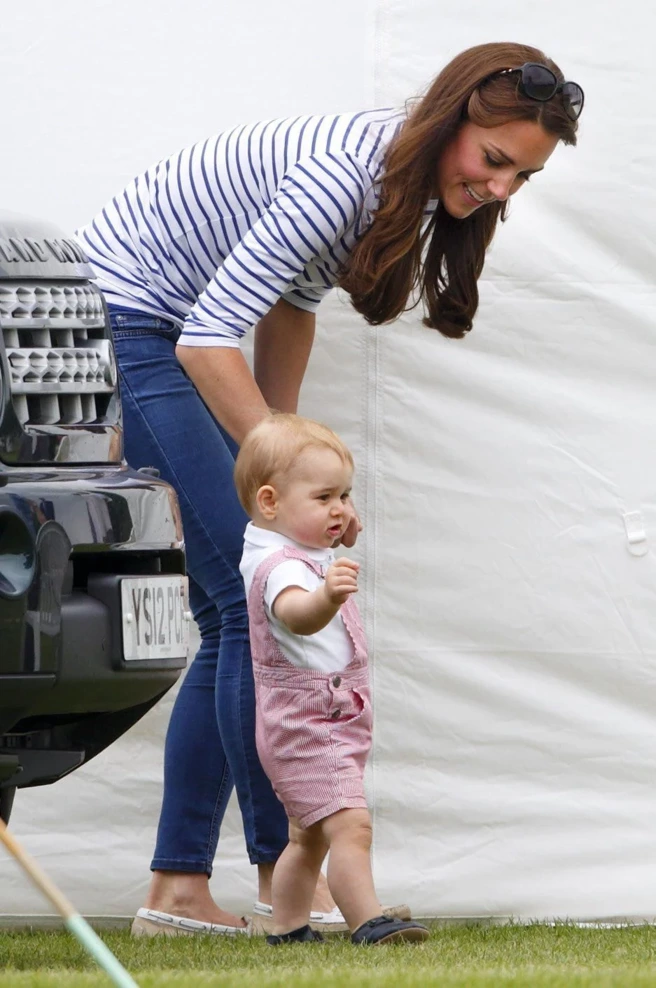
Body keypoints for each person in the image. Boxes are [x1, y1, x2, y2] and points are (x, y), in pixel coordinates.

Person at [75, 41, 582, 936]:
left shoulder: (391, 181)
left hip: (173, 323)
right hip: (132, 318)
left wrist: (288, 445)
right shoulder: (346, 173)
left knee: (234, 613)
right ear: (453, 117)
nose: (500, 189)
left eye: (522, 178)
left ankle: (182, 887)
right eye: (494, 161)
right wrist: (281, 460)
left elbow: (290, 305)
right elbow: (206, 338)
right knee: (248, 607)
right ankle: (280, 876)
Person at [234, 413, 429, 945]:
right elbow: (295, 614)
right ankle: (369, 922)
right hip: (307, 722)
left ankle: (289, 927)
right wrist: (328, 596)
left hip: (314, 717)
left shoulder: (281, 541)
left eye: (344, 495)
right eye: (326, 498)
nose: (341, 510)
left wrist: (333, 522)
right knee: (350, 825)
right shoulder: (282, 567)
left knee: (308, 837)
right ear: (271, 502)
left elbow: (315, 539)